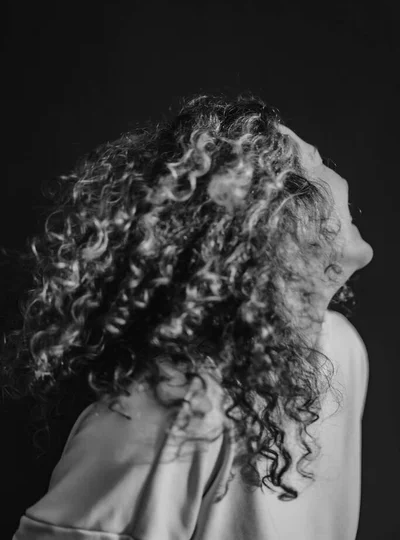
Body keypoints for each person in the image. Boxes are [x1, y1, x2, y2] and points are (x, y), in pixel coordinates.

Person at [7, 94, 373, 539]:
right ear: (276, 219)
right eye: (315, 165)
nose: (339, 176)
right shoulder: (165, 412)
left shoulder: (341, 349)